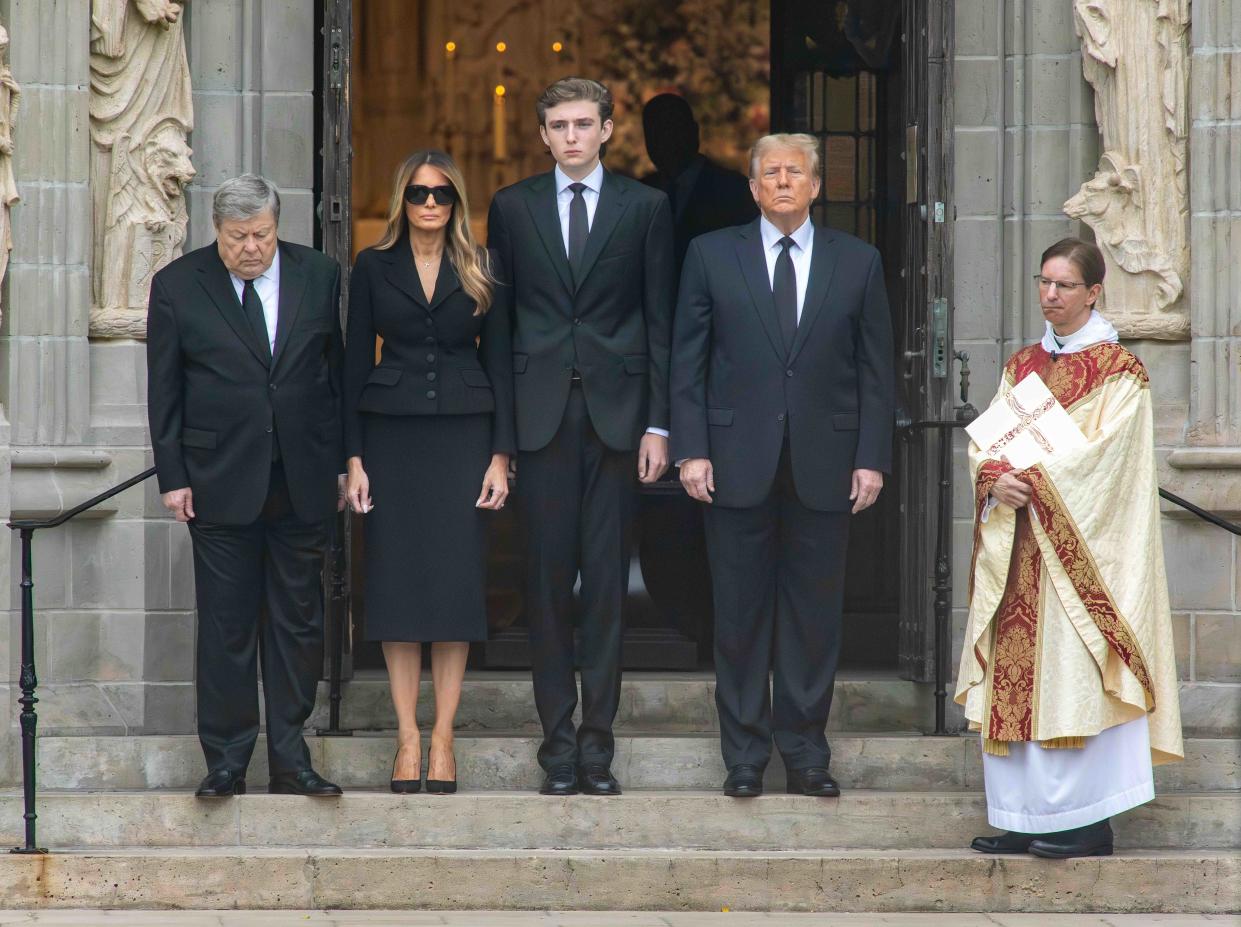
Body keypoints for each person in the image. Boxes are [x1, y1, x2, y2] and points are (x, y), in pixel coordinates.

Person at [671, 133, 894, 799]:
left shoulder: (857, 262)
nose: (783, 182)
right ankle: (743, 756)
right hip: (734, 460)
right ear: (751, 188)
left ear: (817, 185)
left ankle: (803, 754)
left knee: (812, 617)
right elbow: (688, 360)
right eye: (770, 172)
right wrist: (690, 448)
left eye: (795, 171)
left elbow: (875, 371)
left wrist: (871, 458)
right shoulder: (711, 255)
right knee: (737, 615)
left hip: (825, 463)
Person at [958, 237, 1183, 858]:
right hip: (1018, 549)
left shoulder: (1121, 372)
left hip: (1080, 560)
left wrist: (1033, 480)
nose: (1049, 296)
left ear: (1093, 293)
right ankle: (1025, 815)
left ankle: (1088, 823)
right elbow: (990, 438)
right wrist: (991, 476)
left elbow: (1110, 464)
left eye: (1063, 286)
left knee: (1074, 679)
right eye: (1043, 282)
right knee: (1020, 678)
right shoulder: (1021, 366)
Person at [487, 77, 675, 797]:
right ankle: (555, 749)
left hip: (619, 420)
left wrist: (659, 423)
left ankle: (597, 749)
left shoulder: (646, 207)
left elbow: (659, 319)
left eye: (582, 124)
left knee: (604, 587)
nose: (570, 136)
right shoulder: (511, 207)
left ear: (606, 130)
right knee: (542, 586)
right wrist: (501, 440)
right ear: (542, 135)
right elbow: (499, 330)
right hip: (538, 422)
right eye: (558, 125)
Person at [147, 174, 344, 798]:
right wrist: (173, 478)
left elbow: (335, 376)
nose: (251, 248)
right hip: (218, 481)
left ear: (277, 226)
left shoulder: (319, 274)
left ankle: (292, 759)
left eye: (261, 235)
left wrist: (344, 462)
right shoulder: (178, 285)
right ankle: (227, 760)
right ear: (216, 231)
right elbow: (165, 391)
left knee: (298, 623)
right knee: (227, 627)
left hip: (302, 478)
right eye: (237, 238)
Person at [344, 150, 514, 795]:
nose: (430, 205)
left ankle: (443, 737)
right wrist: (353, 457)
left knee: (453, 585)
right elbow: (355, 360)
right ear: (402, 200)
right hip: (390, 435)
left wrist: (501, 455)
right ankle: (406, 738)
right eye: (418, 194)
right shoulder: (372, 266)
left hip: (465, 436)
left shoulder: (481, 264)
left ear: (456, 203)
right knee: (397, 584)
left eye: (442, 194)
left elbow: (499, 361)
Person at [641, 92, 757, 276]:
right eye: (655, 133)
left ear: (693, 132)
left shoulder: (731, 191)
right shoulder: (640, 193)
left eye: (672, 129)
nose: (664, 141)